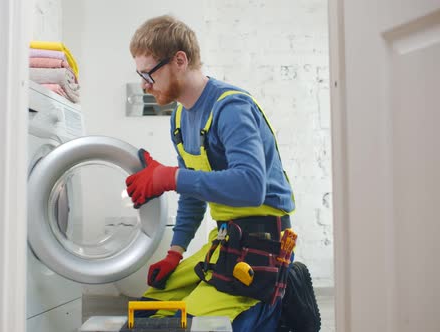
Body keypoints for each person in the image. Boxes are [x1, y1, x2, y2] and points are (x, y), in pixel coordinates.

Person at [125, 15, 321, 332]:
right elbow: (193, 195)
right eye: (140, 75)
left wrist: (170, 177)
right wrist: (175, 252)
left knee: (183, 325)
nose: (145, 84)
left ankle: (277, 304)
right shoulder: (179, 117)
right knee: (149, 309)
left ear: (179, 60)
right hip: (225, 240)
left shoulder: (230, 108)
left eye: (149, 74)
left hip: (261, 245)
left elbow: (251, 186)